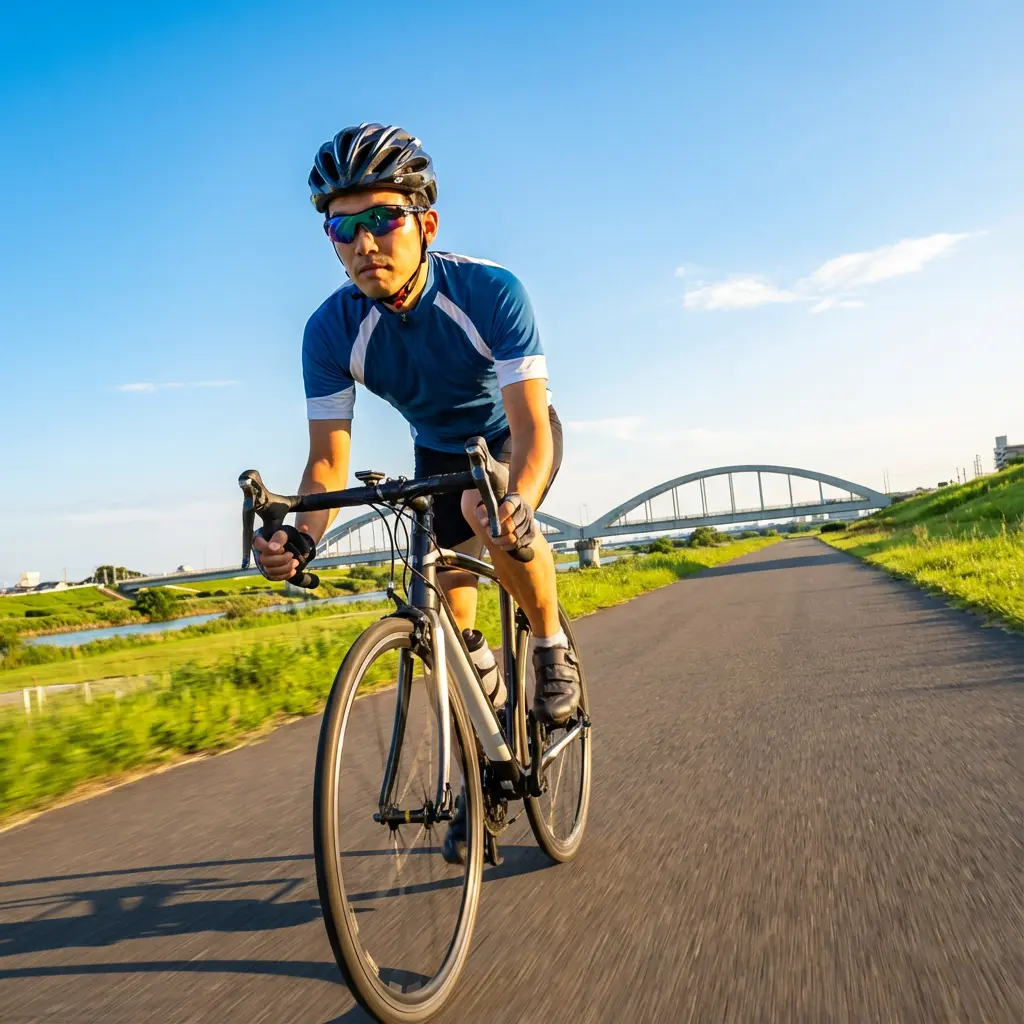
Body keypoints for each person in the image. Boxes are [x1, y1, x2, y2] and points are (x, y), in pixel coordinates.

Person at [251, 123, 580, 858]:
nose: (365, 242)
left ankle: (553, 651)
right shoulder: (330, 331)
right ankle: (491, 758)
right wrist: (298, 536)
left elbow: (529, 430)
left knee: (484, 511)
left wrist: (517, 498)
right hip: (435, 451)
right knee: (447, 611)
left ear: (425, 224)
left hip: (513, 436)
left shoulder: (490, 291)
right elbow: (326, 467)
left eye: (383, 219)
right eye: (344, 227)